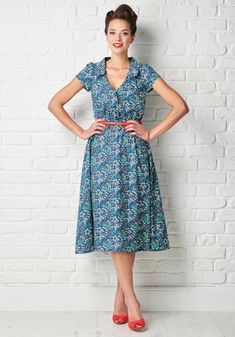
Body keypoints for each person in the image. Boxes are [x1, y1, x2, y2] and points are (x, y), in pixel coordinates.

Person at [48, 3, 189, 332]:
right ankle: (131, 299)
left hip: (133, 155)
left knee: (126, 225)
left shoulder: (143, 74)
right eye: (113, 32)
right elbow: (55, 103)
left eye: (124, 33)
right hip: (101, 158)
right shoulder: (93, 72)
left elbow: (180, 106)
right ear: (105, 35)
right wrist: (82, 131)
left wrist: (150, 132)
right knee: (115, 227)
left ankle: (121, 298)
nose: (118, 38)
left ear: (133, 37)